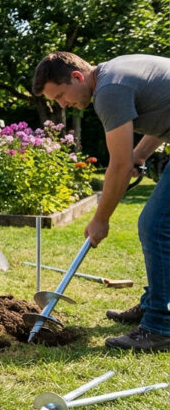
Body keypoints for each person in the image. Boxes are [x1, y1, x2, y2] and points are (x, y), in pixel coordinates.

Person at [33, 51, 170, 352]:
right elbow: (164, 116)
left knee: (156, 224)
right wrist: (142, 154)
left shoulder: (109, 91)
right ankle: (153, 306)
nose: (62, 105)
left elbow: (119, 165)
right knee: (158, 224)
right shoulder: (115, 73)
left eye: (60, 95)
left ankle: (160, 326)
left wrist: (100, 219)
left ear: (77, 77)